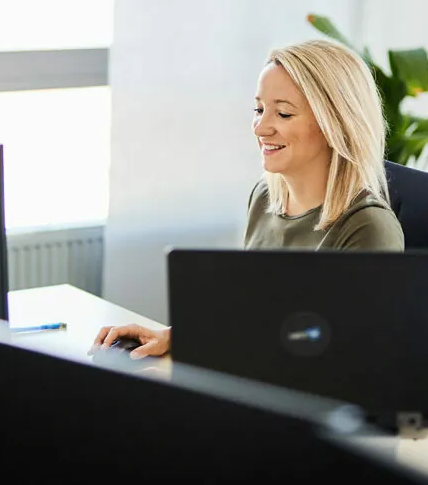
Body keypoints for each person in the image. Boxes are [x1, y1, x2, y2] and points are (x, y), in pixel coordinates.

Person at [89, 38, 404, 361]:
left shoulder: (369, 228)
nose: (261, 127)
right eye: (259, 109)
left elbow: (348, 361)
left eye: (283, 113)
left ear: (334, 123)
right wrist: (177, 337)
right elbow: (255, 317)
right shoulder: (265, 198)